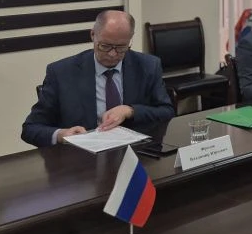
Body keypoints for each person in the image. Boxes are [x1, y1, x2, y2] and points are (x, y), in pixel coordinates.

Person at [21, 10, 174, 147]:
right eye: (105, 46)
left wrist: (130, 110)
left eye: (121, 48)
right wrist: (61, 135)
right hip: (81, 159)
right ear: (93, 35)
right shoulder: (61, 73)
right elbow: (30, 128)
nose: (113, 54)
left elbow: (166, 111)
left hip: (134, 154)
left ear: (130, 40)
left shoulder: (148, 66)